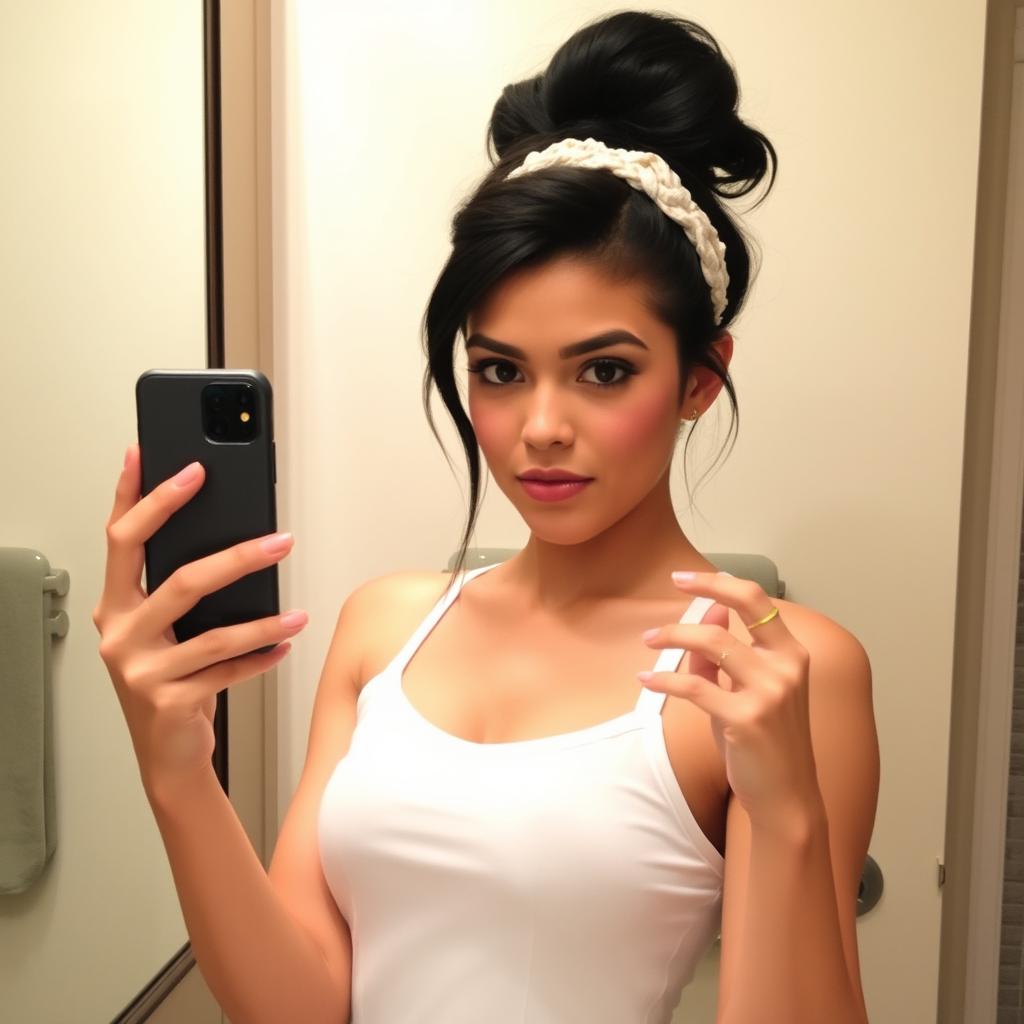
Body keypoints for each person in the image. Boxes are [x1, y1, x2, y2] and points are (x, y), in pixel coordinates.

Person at [94, 10, 878, 1023]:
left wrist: (787, 819)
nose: (540, 428)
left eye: (605, 371)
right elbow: (296, 1007)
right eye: (499, 370)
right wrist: (174, 767)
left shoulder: (776, 668)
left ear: (699, 378)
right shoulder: (384, 625)